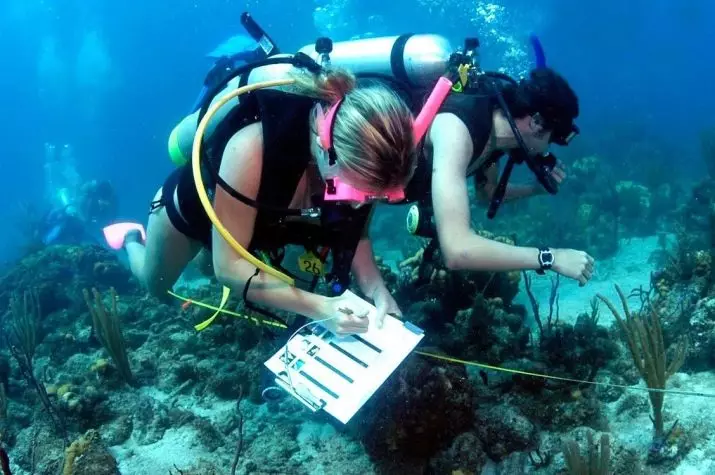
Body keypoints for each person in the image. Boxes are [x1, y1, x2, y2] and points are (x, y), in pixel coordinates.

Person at [106, 63, 419, 337]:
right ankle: (133, 237)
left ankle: (207, 250)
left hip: (252, 228)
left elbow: (356, 234)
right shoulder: (253, 148)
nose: (360, 206)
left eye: (374, 197)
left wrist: (378, 292)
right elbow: (228, 267)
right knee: (155, 285)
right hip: (192, 214)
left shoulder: (369, 163)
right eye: (355, 194)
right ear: (328, 151)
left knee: (208, 264)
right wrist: (322, 307)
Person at [404, 66, 595, 286]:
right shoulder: (457, 130)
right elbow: (456, 250)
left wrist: (535, 188)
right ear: (536, 123)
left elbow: (488, 194)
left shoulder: (495, 138)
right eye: (551, 140)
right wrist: (551, 257)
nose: (546, 151)